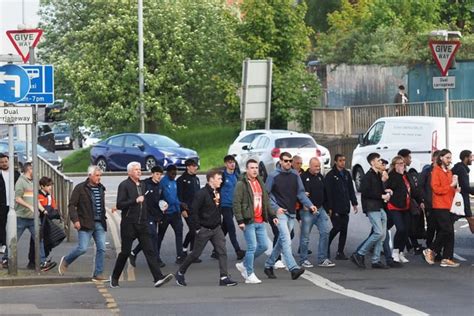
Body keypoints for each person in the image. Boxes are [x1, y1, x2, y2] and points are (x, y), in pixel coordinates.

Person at [110, 162, 173, 288]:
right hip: (129, 223)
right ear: (129, 172)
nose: (139, 172)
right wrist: (135, 200)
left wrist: (161, 206)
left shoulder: (143, 185)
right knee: (125, 252)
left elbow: (150, 196)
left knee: (149, 250)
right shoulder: (124, 185)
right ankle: (115, 277)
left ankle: (158, 278)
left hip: (142, 223)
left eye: (139, 169)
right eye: (135, 170)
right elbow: (120, 204)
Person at [175, 169, 237, 287]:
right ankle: (180, 272)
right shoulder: (201, 193)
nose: (221, 181)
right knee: (195, 254)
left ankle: (223, 277)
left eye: (221, 178)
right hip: (204, 229)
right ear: (211, 180)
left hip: (216, 228)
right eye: (219, 178)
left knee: (222, 252)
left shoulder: (217, 192)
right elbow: (193, 211)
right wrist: (198, 228)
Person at [263, 152, 316, 280]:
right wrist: (276, 208)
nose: (288, 163)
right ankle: (293, 268)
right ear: (280, 161)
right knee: (286, 239)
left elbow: (301, 193)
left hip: (291, 212)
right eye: (285, 161)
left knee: (282, 241)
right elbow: (266, 195)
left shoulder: (295, 175)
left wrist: (310, 205)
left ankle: (268, 265)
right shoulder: (273, 176)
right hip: (280, 212)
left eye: (290, 161)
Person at [2, 163, 56, 271]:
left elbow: (35, 199)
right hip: (21, 217)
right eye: (34, 170)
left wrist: (43, 210)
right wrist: (29, 207)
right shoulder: (20, 182)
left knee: (38, 239)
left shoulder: (34, 182)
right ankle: (5, 260)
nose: (36, 172)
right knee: (13, 239)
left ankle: (42, 262)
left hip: (33, 218)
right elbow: (17, 198)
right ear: (29, 170)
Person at [58, 166, 107, 280]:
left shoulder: (101, 188)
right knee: (82, 248)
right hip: (85, 223)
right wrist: (75, 220)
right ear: (89, 175)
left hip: (99, 223)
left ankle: (98, 273)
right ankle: (66, 260)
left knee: (102, 248)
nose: (99, 178)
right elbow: (72, 205)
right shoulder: (80, 188)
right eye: (96, 175)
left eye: (100, 176)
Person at [233, 159, 277, 284]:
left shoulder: (260, 182)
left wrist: (272, 215)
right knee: (252, 247)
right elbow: (236, 203)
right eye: (252, 168)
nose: (254, 170)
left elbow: (266, 201)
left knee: (263, 246)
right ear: (247, 169)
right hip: (248, 220)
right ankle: (249, 273)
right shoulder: (241, 184)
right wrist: (240, 220)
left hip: (260, 220)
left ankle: (244, 264)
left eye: (256, 168)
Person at [351, 153, 391, 269]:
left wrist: (385, 187)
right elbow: (366, 192)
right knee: (378, 232)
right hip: (372, 207)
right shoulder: (368, 176)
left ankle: (376, 260)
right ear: (373, 162)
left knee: (382, 235)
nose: (380, 162)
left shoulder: (378, 175)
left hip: (379, 207)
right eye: (378, 160)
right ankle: (359, 253)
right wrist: (382, 196)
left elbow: (379, 189)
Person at [423, 149, 460, 268]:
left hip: (449, 205)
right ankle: (431, 250)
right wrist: (450, 186)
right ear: (441, 158)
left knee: (450, 233)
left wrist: (455, 189)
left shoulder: (449, 172)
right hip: (439, 205)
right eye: (447, 157)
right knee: (446, 230)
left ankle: (446, 258)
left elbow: (450, 190)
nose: (450, 160)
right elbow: (436, 189)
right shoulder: (436, 171)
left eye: (450, 157)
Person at [299, 158, 335, 268]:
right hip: (307, 211)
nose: (318, 168)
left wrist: (328, 207)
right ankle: (303, 259)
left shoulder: (320, 177)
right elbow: (298, 193)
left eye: (319, 166)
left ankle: (322, 258)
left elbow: (326, 192)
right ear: (310, 166)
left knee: (325, 232)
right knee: (305, 237)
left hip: (320, 209)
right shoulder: (303, 177)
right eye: (315, 166)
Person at [129, 166, 166, 268]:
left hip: (155, 216)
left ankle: (134, 252)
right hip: (146, 216)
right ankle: (156, 260)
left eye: (160, 175)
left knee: (149, 238)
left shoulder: (159, 186)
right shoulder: (145, 184)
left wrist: (163, 205)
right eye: (157, 174)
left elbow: (160, 200)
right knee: (153, 236)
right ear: (152, 174)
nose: (159, 176)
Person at [385, 156, 419, 264]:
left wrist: (420, 201)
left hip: (406, 206)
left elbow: (412, 189)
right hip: (395, 206)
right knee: (400, 228)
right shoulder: (392, 176)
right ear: (394, 165)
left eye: (402, 163)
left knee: (406, 230)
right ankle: (395, 251)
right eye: (398, 164)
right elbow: (390, 187)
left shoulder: (406, 176)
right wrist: (399, 174)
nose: (401, 165)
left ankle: (400, 252)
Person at [326, 154, 358, 260]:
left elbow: (350, 189)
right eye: (340, 160)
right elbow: (328, 193)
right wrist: (329, 208)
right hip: (335, 207)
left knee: (344, 229)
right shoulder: (331, 175)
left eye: (344, 160)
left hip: (345, 206)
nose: (342, 162)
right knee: (337, 227)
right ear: (335, 162)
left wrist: (354, 203)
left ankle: (340, 252)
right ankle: (325, 245)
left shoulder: (347, 174)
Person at [216, 155, 245, 260]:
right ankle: (238, 250)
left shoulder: (237, 175)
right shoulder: (223, 176)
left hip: (234, 206)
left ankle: (215, 250)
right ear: (225, 164)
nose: (232, 164)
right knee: (231, 227)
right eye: (229, 162)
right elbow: (216, 189)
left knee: (225, 228)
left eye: (233, 162)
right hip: (225, 206)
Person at [398, 149, 425, 255]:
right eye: (409, 157)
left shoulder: (407, 173)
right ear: (403, 158)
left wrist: (419, 200)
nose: (411, 159)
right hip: (398, 205)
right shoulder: (397, 174)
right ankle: (402, 249)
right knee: (402, 227)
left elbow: (412, 189)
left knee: (407, 226)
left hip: (407, 203)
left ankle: (412, 245)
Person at [157, 165, 186, 264]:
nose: (174, 175)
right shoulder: (164, 182)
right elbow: (168, 198)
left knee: (179, 234)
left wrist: (179, 208)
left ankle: (179, 255)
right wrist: (180, 203)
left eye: (175, 173)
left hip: (175, 213)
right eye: (172, 173)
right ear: (167, 172)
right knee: (160, 235)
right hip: (166, 213)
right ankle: (156, 257)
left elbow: (176, 196)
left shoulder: (174, 182)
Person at [177, 159, 201, 261]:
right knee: (193, 230)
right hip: (187, 209)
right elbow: (179, 195)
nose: (196, 168)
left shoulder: (197, 179)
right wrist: (182, 209)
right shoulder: (181, 180)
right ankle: (183, 249)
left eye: (196, 166)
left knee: (196, 231)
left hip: (196, 209)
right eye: (194, 166)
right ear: (188, 167)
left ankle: (192, 253)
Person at [420, 150, 440, 250]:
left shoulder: (443, 171)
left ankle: (436, 249)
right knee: (431, 227)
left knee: (440, 228)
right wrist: (424, 199)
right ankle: (429, 246)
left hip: (441, 204)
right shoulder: (427, 171)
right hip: (430, 203)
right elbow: (421, 186)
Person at [0, 153, 20, 254]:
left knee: (15, 225)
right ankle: (3, 244)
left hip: (14, 204)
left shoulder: (15, 174)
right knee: (2, 224)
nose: (4, 163)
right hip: (2, 204)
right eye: (2, 162)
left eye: (5, 161)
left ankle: (12, 244)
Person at [451, 150, 473, 218]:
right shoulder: (462, 169)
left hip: (460, 197)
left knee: (454, 218)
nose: (472, 159)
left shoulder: (460, 168)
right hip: (461, 198)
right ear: (466, 158)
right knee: (470, 218)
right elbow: (465, 186)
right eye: (471, 157)